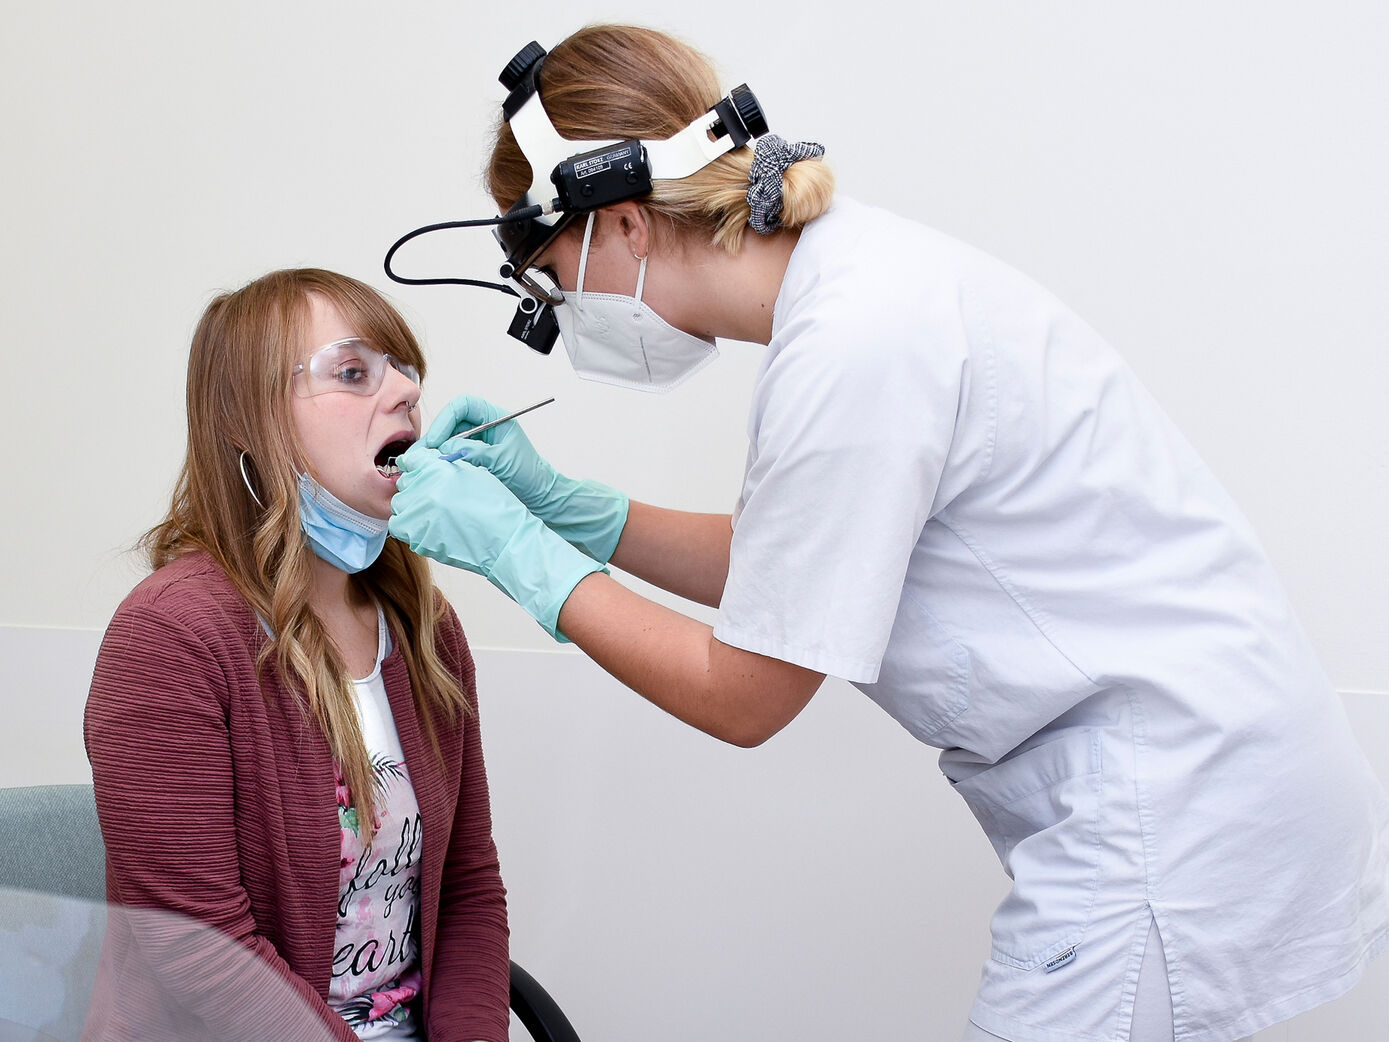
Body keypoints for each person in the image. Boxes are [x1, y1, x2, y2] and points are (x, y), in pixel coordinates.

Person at [387, 24, 1389, 1042]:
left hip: (1175, 805)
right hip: (1196, 778)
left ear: (630, 224)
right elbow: (802, 567)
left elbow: (746, 695)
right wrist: (575, 510)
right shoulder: (854, 291)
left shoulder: (855, 343)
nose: (567, 311)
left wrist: (518, 553)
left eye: (557, 274)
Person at [84, 269, 510, 1041]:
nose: (407, 392)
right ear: (252, 421)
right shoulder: (171, 637)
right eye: (353, 373)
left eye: (406, 370)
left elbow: (469, 885)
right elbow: (199, 948)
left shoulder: (424, 626)